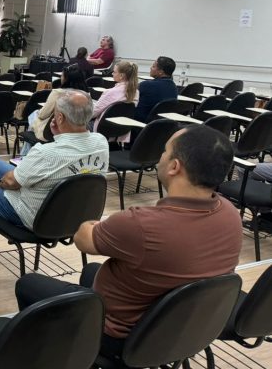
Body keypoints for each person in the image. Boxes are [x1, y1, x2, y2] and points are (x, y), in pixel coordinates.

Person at [14, 125, 242, 359]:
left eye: (165, 151)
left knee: (29, 283)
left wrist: (94, 225)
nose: (161, 156)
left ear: (175, 167)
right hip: (181, 331)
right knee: (91, 271)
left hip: (121, 338)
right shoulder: (231, 214)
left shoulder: (140, 224)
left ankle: (50, 356)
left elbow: (82, 239)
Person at [0, 90, 109, 229]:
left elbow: (11, 182)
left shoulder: (45, 152)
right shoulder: (101, 142)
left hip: (36, 218)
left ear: (59, 118)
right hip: (78, 215)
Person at [28, 64, 88, 144]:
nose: (61, 78)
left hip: (52, 132)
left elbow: (43, 115)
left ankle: (27, 153)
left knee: (33, 115)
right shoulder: (86, 95)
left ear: (66, 79)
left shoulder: (58, 93)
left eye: (62, 76)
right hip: (76, 133)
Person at [92, 60, 140, 142]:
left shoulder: (111, 92)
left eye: (114, 72)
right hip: (122, 132)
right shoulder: (135, 92)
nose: (112, 74)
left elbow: (93, 113)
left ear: (121, 75)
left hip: (102, 131)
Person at [134, 56, 178, 122]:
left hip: (138, 124)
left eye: (153, 66)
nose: (150, 68)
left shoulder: (146, 85)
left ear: (161, 72)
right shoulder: (174, 87)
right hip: (158, 127)